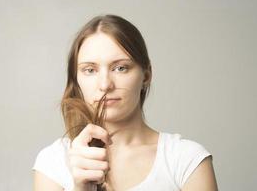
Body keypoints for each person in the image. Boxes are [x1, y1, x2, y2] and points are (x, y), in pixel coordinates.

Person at [32, 14, 218, 191]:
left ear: (146, 75)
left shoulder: (186, 159)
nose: (105, 85)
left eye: (120, 68)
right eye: (90, 70)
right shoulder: (53, 161)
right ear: (77, 79)